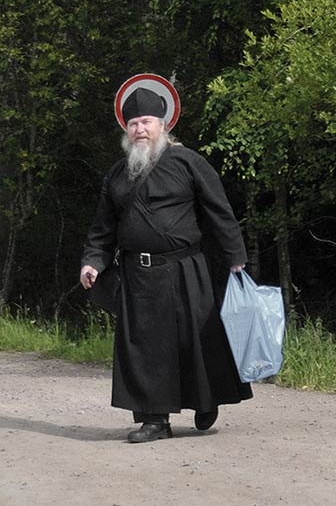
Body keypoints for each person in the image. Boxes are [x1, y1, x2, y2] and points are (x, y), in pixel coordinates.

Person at [79, 82, 252, 443]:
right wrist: (92, 261)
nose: (140, 129)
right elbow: (102, 227)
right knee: (143, 350)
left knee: (197, 341)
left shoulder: (189, 163)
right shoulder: (117, 174)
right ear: (125, 129)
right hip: (137, 275)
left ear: (163, 124)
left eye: (146, 122)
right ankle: (154, 421)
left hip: (185, 270)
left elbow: (220, 212)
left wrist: (236, 258)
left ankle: (206, 400)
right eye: (133, 124)